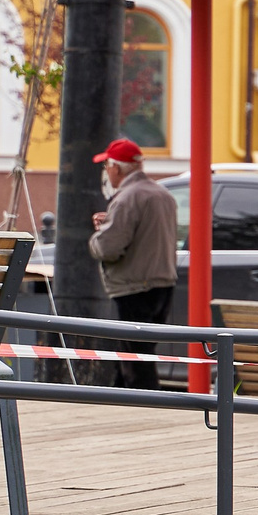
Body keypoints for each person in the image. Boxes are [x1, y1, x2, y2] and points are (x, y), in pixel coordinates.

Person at [87, 138, 179, 390]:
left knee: (136, 358)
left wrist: (96, 237)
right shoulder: (162, 194)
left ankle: (145, 407)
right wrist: (112, 223)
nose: (106, 170)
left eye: (106, 165)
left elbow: (109, 248)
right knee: (137, 351)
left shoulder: (127, 198)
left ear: (116, 168)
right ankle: (120, 402)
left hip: (134, 286)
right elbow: (146, 233)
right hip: (163, 284)